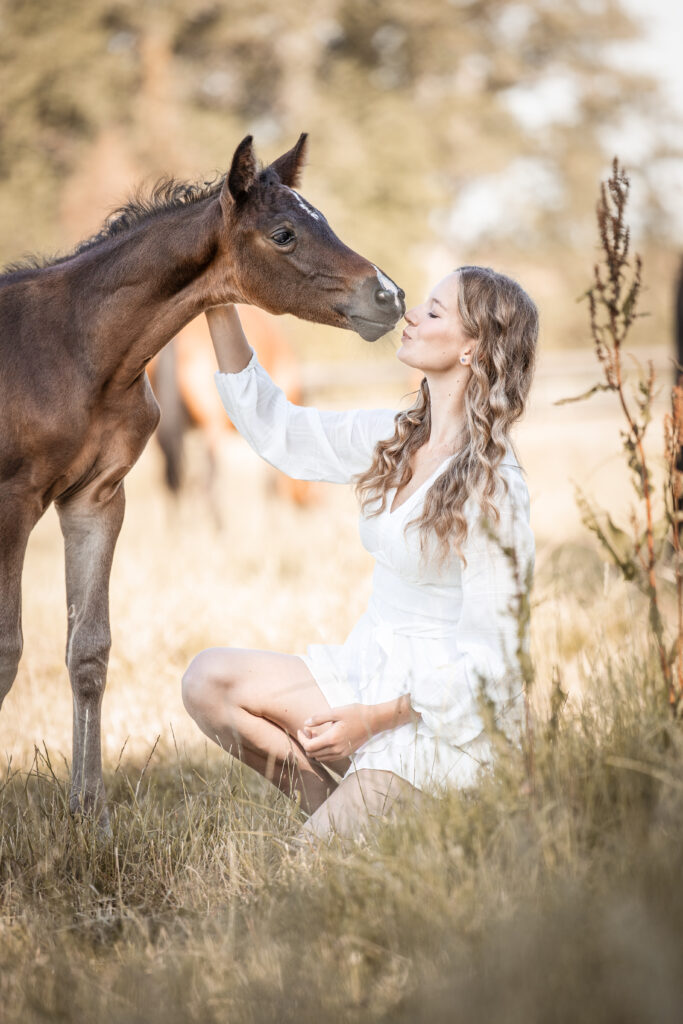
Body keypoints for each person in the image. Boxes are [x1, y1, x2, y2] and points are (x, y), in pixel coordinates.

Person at [181, 266, 538, 842]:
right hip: (366, 674)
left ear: (473, 348)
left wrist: (373, 721)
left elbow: (495, 666)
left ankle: (349, 831)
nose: (411, 313)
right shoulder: (395, 436)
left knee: (300, 875)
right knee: (208, 681)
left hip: (439, 725)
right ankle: (333, 813)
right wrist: (216, 297)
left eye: (435, 310)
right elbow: (279, 430)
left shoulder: (494, 486)